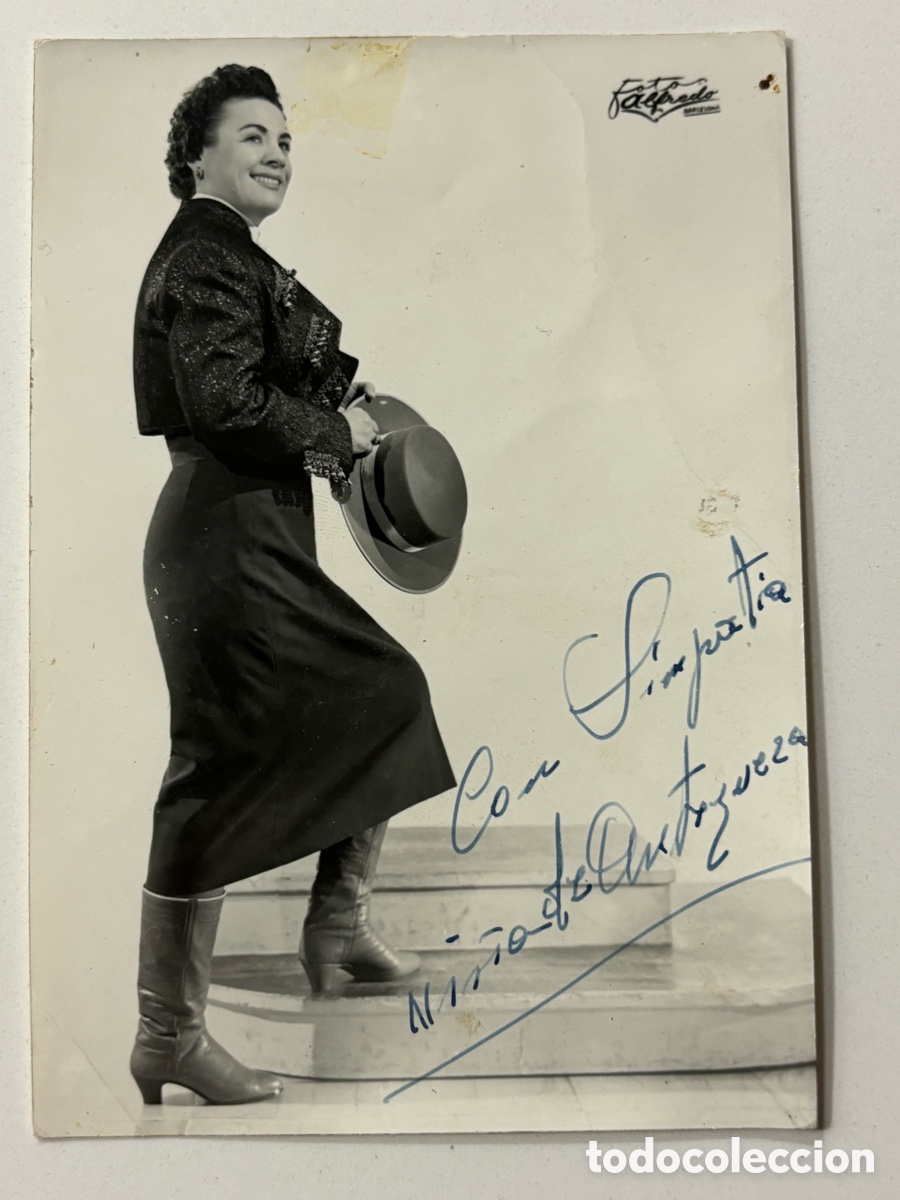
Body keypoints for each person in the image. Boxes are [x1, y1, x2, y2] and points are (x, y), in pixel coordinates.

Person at [129, 64, 456, 1106]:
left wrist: (355, 404)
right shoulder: (203, 254)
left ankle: (335, 929)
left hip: (254, 531)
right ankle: (168, 1033)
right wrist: (339, 433)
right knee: (215, 766)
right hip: (222, 534)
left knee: (381, 693)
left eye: (285, 139)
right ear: (198, 155)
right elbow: (226, 399)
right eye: (253, 135)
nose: (277, 152)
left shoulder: (230, 257)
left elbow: (292, 368)